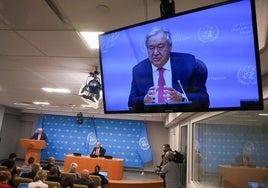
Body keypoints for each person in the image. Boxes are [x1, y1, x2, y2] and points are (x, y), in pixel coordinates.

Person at [128, 26, 209, 112]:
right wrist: (144, 100)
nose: (155, 53)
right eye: (151, 48)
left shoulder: (189, 64)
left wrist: (182, 98)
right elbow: (131, 102)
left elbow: (204, 100)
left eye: (160, 46)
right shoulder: (138, 70)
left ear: (170, 46)